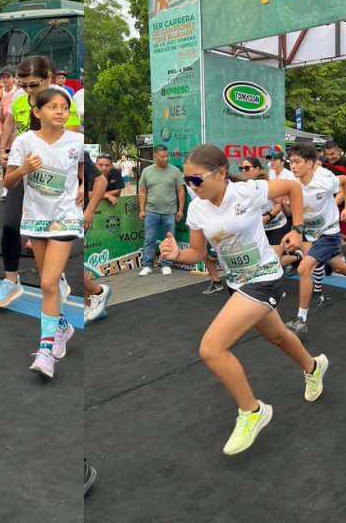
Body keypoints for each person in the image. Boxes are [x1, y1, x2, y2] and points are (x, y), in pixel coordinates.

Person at [157, 144, 324, 456]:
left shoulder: (247, 191)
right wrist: (177, 254)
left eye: (196, 180)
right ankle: (313, 367)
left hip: (264, 277)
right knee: (277, 336)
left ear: (221, 173)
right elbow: (197, 252)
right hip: (238, 282)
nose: (191, 186)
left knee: (211, 347)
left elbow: (291, 187)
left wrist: (298, 229)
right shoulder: (197, 208)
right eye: (187, 181)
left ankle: (252, 411)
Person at [3, 88, 84, 378]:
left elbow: (92, 175)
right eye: (53, 107)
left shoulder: (78, 140)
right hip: (36, 220)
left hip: (65, 219)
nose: (60, 112)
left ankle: (46, 353)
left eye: (64, 107)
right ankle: (62, 325)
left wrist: (85, 190)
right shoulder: (24, 142)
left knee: (49, 283)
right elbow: (8, 182)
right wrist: (24, 168)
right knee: (47, 282)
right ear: (37, 112)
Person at [0, 56, 82, 308]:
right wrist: (3, 147)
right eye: (24, 85)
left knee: (53, 228)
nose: (29, 90)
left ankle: (56, 277)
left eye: (34, 85)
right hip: (25, 168)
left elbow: (71, 137)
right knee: (10, 224)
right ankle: (11, 280)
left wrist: (81, 180)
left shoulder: (61, 101)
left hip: (53, 175)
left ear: (49, 79)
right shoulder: (19, 100)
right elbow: (10, 121)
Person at [283, 143, 346, 335]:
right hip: (309, 230)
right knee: (338, 266)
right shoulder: (292, 182)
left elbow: (344, 181)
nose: (293, 166)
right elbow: (291, 210)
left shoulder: (325, 179)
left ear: (310, 164)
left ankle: (301, 319)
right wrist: (284, 205)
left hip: (329, 231)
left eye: (297, 162)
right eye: (291, 162)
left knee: (304, 267)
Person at [138, 145, 184, 277]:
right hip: (151, 211)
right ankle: (147, 266)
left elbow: (180, 191)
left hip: (169, 212)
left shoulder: (175, 171)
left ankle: (166, 264)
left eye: (167, 156)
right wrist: (141, 209)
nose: (166, 158)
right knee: (149, 239)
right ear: (155, 157)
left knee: (169, 241)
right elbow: (142, 191)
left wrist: (180, 209)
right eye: (163, 156)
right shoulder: (147, 171)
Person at [83, 149, 111, 322]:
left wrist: (90, 210)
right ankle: (88, 305)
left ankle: (98, 292)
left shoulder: (78, 151)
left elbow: (101, 181)